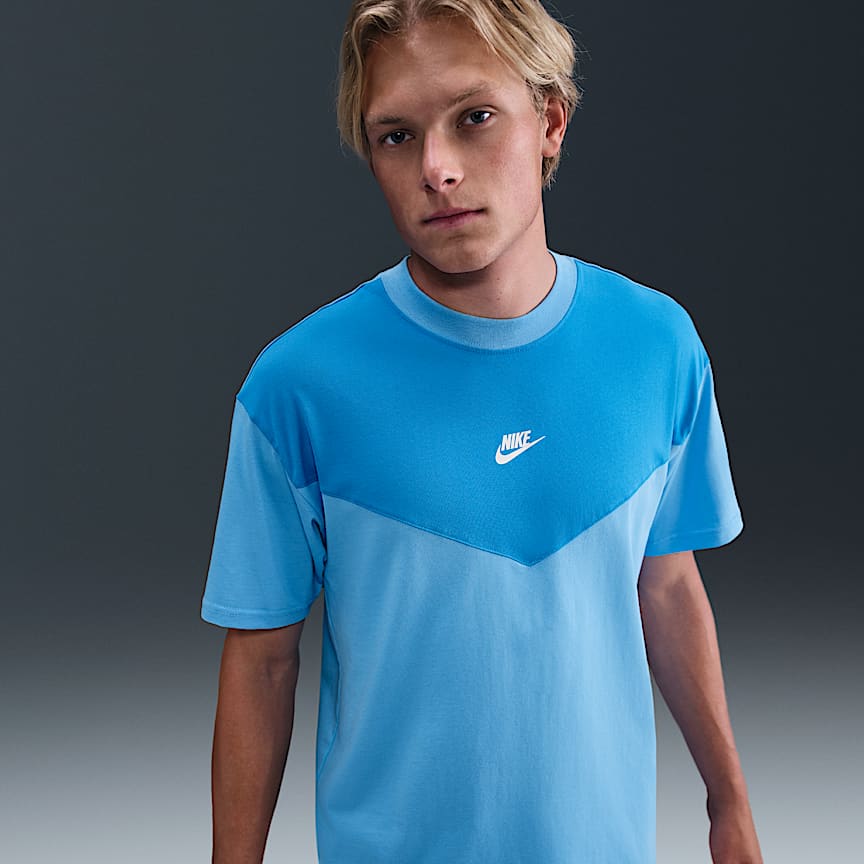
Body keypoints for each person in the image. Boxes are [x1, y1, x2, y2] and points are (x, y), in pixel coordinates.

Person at [200, 1, 764, 862]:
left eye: (474, 118)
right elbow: (262, 662)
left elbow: (668, 586)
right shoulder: (298, 386)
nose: (437, 168)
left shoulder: (657, 346)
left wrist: (730, 803)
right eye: (396, 136)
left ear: (550, 122)